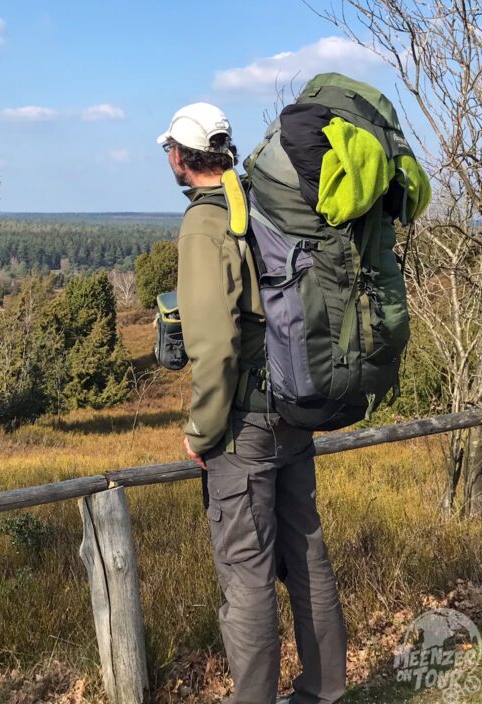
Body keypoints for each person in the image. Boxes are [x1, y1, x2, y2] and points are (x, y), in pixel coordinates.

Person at [158, 103, 347, 704]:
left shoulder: (205, 226)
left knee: (247, 577)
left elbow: (213, 347)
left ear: (182, 157)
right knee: (307, 552)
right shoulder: (263, 202)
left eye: (169, 150)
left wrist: (202, 431)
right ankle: (325, 691)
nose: (169, 159)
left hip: (244, 425)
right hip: (295, 403)